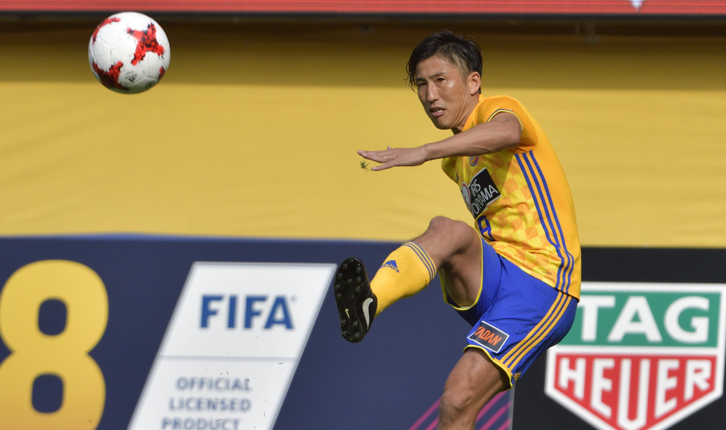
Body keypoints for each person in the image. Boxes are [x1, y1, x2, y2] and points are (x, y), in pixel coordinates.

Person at [332, 30, 581, 429]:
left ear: (473, 82)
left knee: (457, 399)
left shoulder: (499, 109)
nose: (430, 95)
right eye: (421, 84)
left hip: (543, 283)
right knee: (446, 230)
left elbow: (508, 132)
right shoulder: (456, 162)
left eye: (440, 80)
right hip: (495, 276)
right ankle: (370, 301)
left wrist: (424, 151)